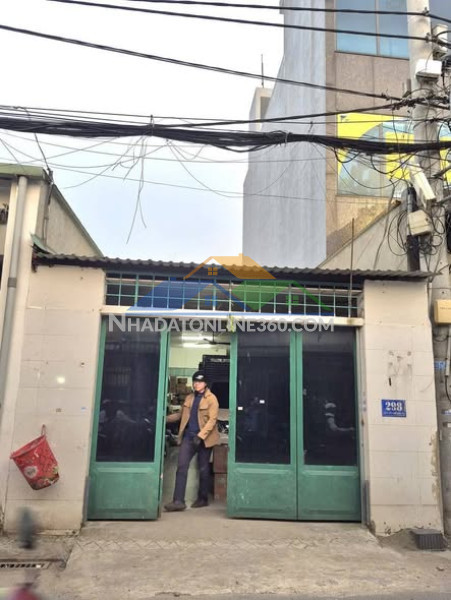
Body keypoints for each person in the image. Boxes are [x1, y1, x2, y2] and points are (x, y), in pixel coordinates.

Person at [164, 371, 219, 511]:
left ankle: (203, 499)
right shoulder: (189, 398)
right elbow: (180, 415)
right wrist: (163, 418)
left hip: (204, 439)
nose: (196, 384)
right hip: (189, 437)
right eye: (195, 381)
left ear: (205, 384)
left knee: (203, 468)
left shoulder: (212, 399)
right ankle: (178, 501)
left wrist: (200, 436)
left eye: (199, 382)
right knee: (181, 466)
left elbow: (212, 420)